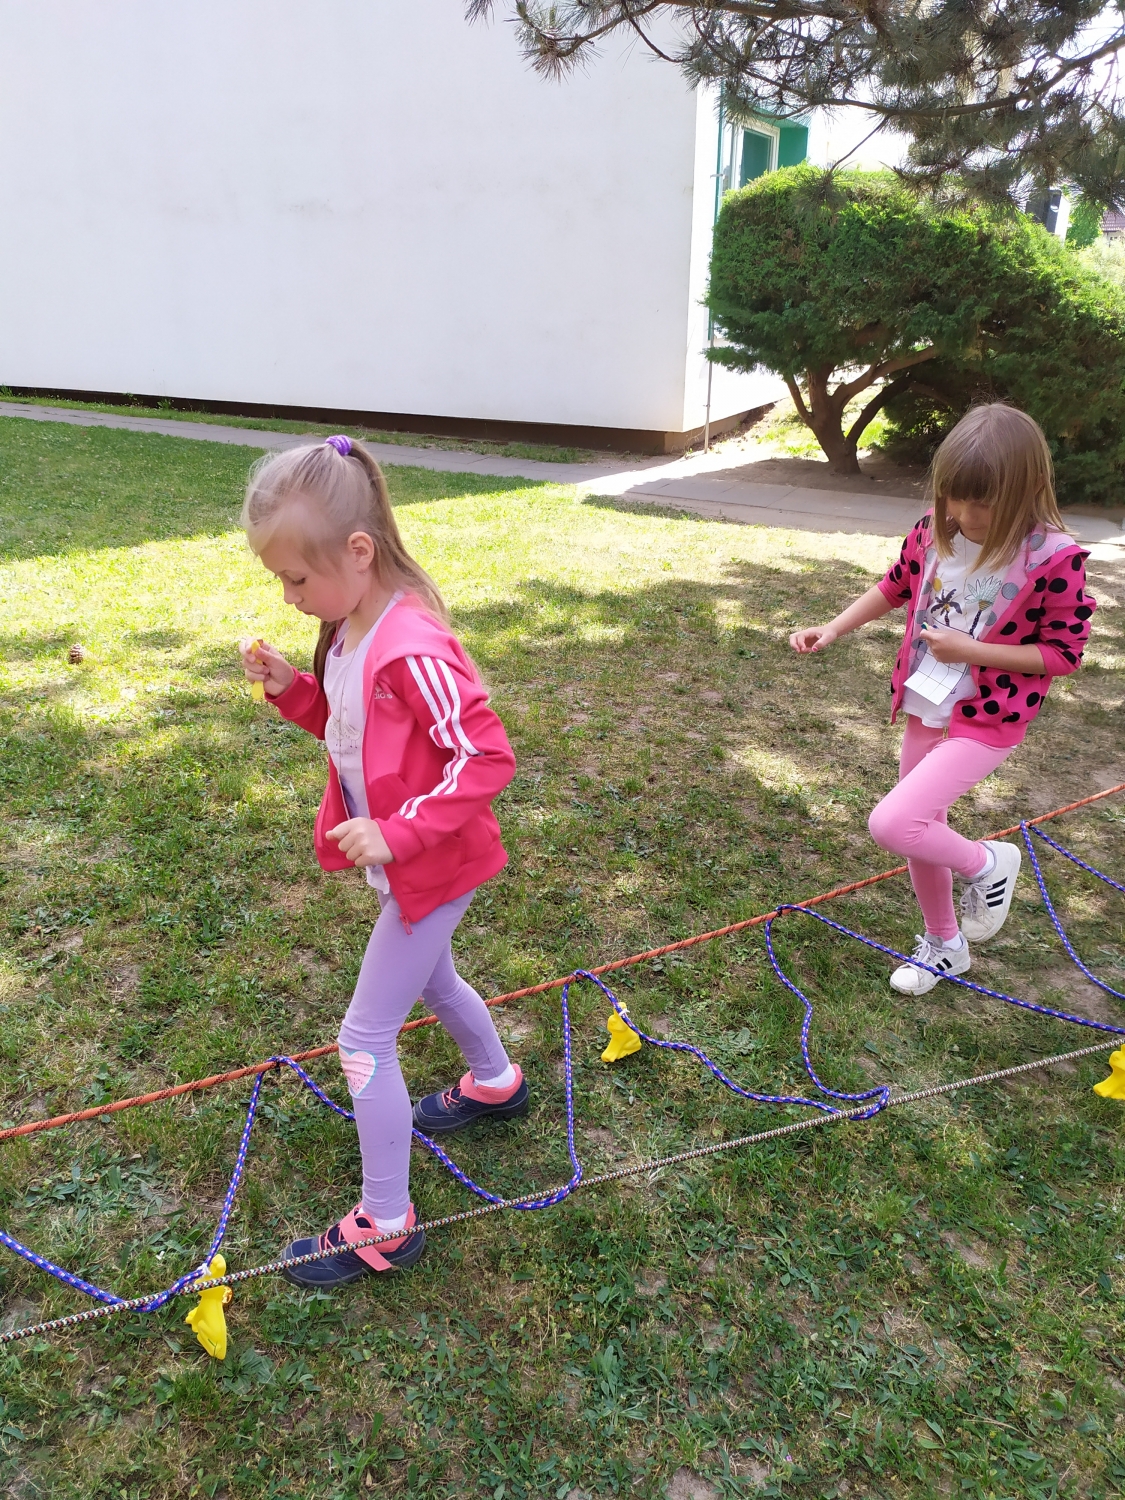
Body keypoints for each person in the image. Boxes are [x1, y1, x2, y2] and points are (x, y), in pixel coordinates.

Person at [239, 436, 526, 1286]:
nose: (288, 596)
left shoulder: (411, 646)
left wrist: (398, 833)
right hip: (412, 867)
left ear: (358, 552)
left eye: (297, 579)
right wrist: (292, 685)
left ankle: (386, 1224)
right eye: (280, 580)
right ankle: (495, 1081)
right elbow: (349, 725)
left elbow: (487, 757)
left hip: (432, 866)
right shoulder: (348, 630)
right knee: (435, 982)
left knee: (363, 1039)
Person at [789, 404, 1095, 995]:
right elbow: (894, 585)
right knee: (921, 827)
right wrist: (833, 627)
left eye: (983, 504)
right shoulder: (935, 530)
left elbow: (1063, 654)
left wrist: (972, 650)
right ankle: (945, 944)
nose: (965, 515)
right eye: (955, 498)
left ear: (1028, 487)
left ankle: (989, 863)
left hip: (987, 719)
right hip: (925, 704)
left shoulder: (1054, 559)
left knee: (894, 822)